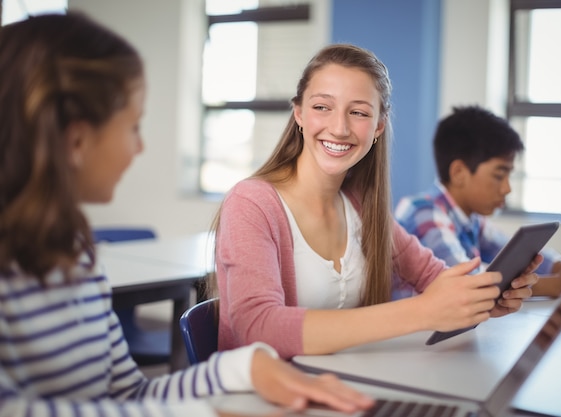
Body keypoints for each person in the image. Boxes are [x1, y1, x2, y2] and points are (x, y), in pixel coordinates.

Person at [0, 13, 374, 417]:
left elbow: (129, 397)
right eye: (134, 126)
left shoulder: (72, 254)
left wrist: (246, 369)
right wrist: (211, 412)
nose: (140, 146)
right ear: (75, 140)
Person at [209, 44, 540, 360]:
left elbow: (433, 276)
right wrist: (420, 312)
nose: (338, 128)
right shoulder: (251, 203)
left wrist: (483, 299)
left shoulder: (360, 206)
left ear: (379, 125)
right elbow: (258, 328)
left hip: (342, 386)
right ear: (298, 113)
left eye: (358, 112)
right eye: (322, 107)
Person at [394, 105, 561, 300]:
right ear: (459, 172)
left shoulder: (470, 219)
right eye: (499, 175)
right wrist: (559, 284)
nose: (507, 188)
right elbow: (467, 283)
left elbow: (514, 255)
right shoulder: (423, 212)